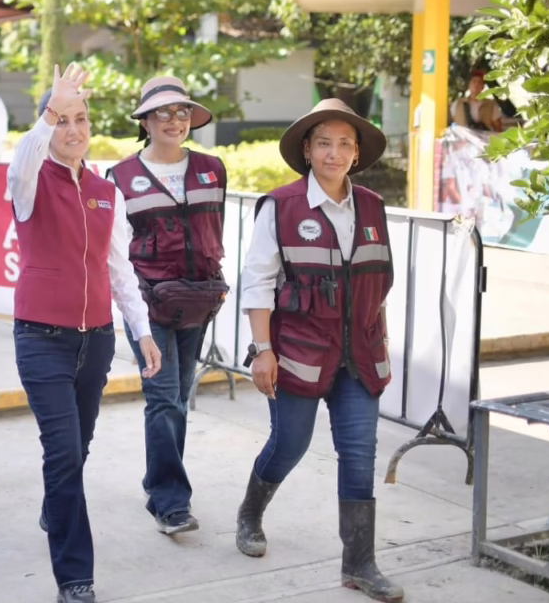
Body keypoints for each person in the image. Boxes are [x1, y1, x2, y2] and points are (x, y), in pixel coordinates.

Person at [237, 98, 403, 603]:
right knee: (290, 444)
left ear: (356, 153)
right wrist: (262, 350)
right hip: (299, 352)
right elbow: (257, 283)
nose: (335, 152)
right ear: (307, 150)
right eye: (324, 142)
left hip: (360, 357)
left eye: (344, 143)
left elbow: (377, 285)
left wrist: (383, 343)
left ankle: (359, 564)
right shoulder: (281, 207)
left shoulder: (373, 207)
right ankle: (250, 512)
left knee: (359, 452)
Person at [10, 63, 162, 603]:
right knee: (61, 453)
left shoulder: (106, 191)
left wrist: (141, 331)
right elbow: (23, 159)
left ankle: (56, 509)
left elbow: (118, 268)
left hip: (94, 340)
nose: (73, 130)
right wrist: (50, 105)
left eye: (81, 119)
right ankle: (76, 576)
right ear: (49, 125)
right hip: (40, 338)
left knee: (78, 447)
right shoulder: (29, 181)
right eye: (62, 120)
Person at [105, 76, 228, 536]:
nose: (175, 121)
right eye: (163, 113)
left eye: (182, 113)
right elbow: (115, 248)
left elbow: (213, 232)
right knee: (163, 400)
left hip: (199, 300)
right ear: (145, 121)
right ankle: (170, 502)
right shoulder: (118, 179)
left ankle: (157, 476)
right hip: (148, 304)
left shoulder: (213, 169)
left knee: (178, 397)